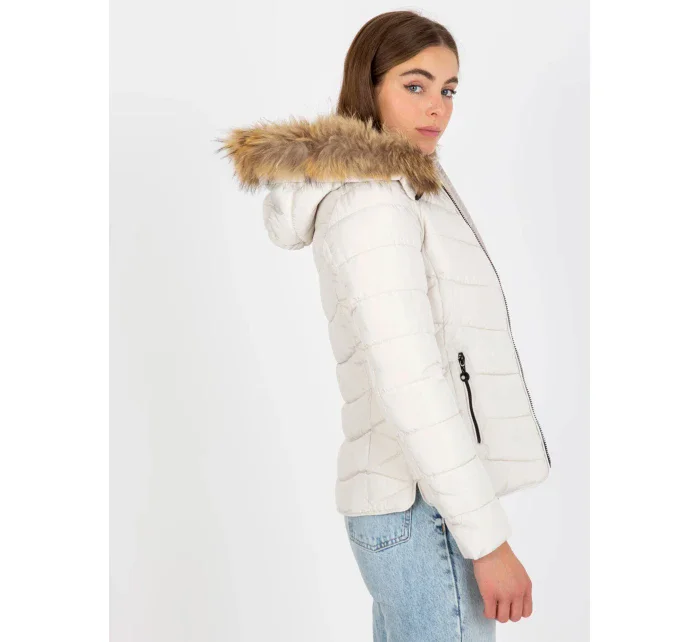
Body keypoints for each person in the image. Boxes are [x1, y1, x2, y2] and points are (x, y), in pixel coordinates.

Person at [218, 10, 551, 641]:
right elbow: (412, 381)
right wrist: (488, 541)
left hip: (418, 501)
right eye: (415, 84)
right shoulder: (373, 199)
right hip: (422, 507)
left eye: (448, 89)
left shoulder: (404, 187)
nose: (437, 107)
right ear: (368, 87)